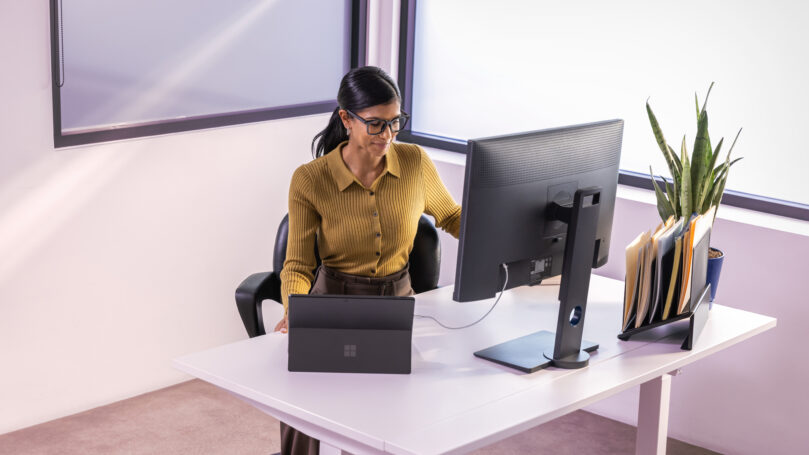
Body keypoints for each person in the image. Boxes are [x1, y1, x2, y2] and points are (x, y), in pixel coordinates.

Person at [274, 66, 462, 454]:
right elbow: (297, 265)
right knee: (300, 402)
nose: (388, 135)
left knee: (387, 414)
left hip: (397, 303)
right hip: (332, 303)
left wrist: (504, 242)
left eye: (396, 123)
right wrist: (295, 307)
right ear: (346, 119)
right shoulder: (310, 180)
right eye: (376, 125)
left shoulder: (414, 163)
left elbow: (452, 217)